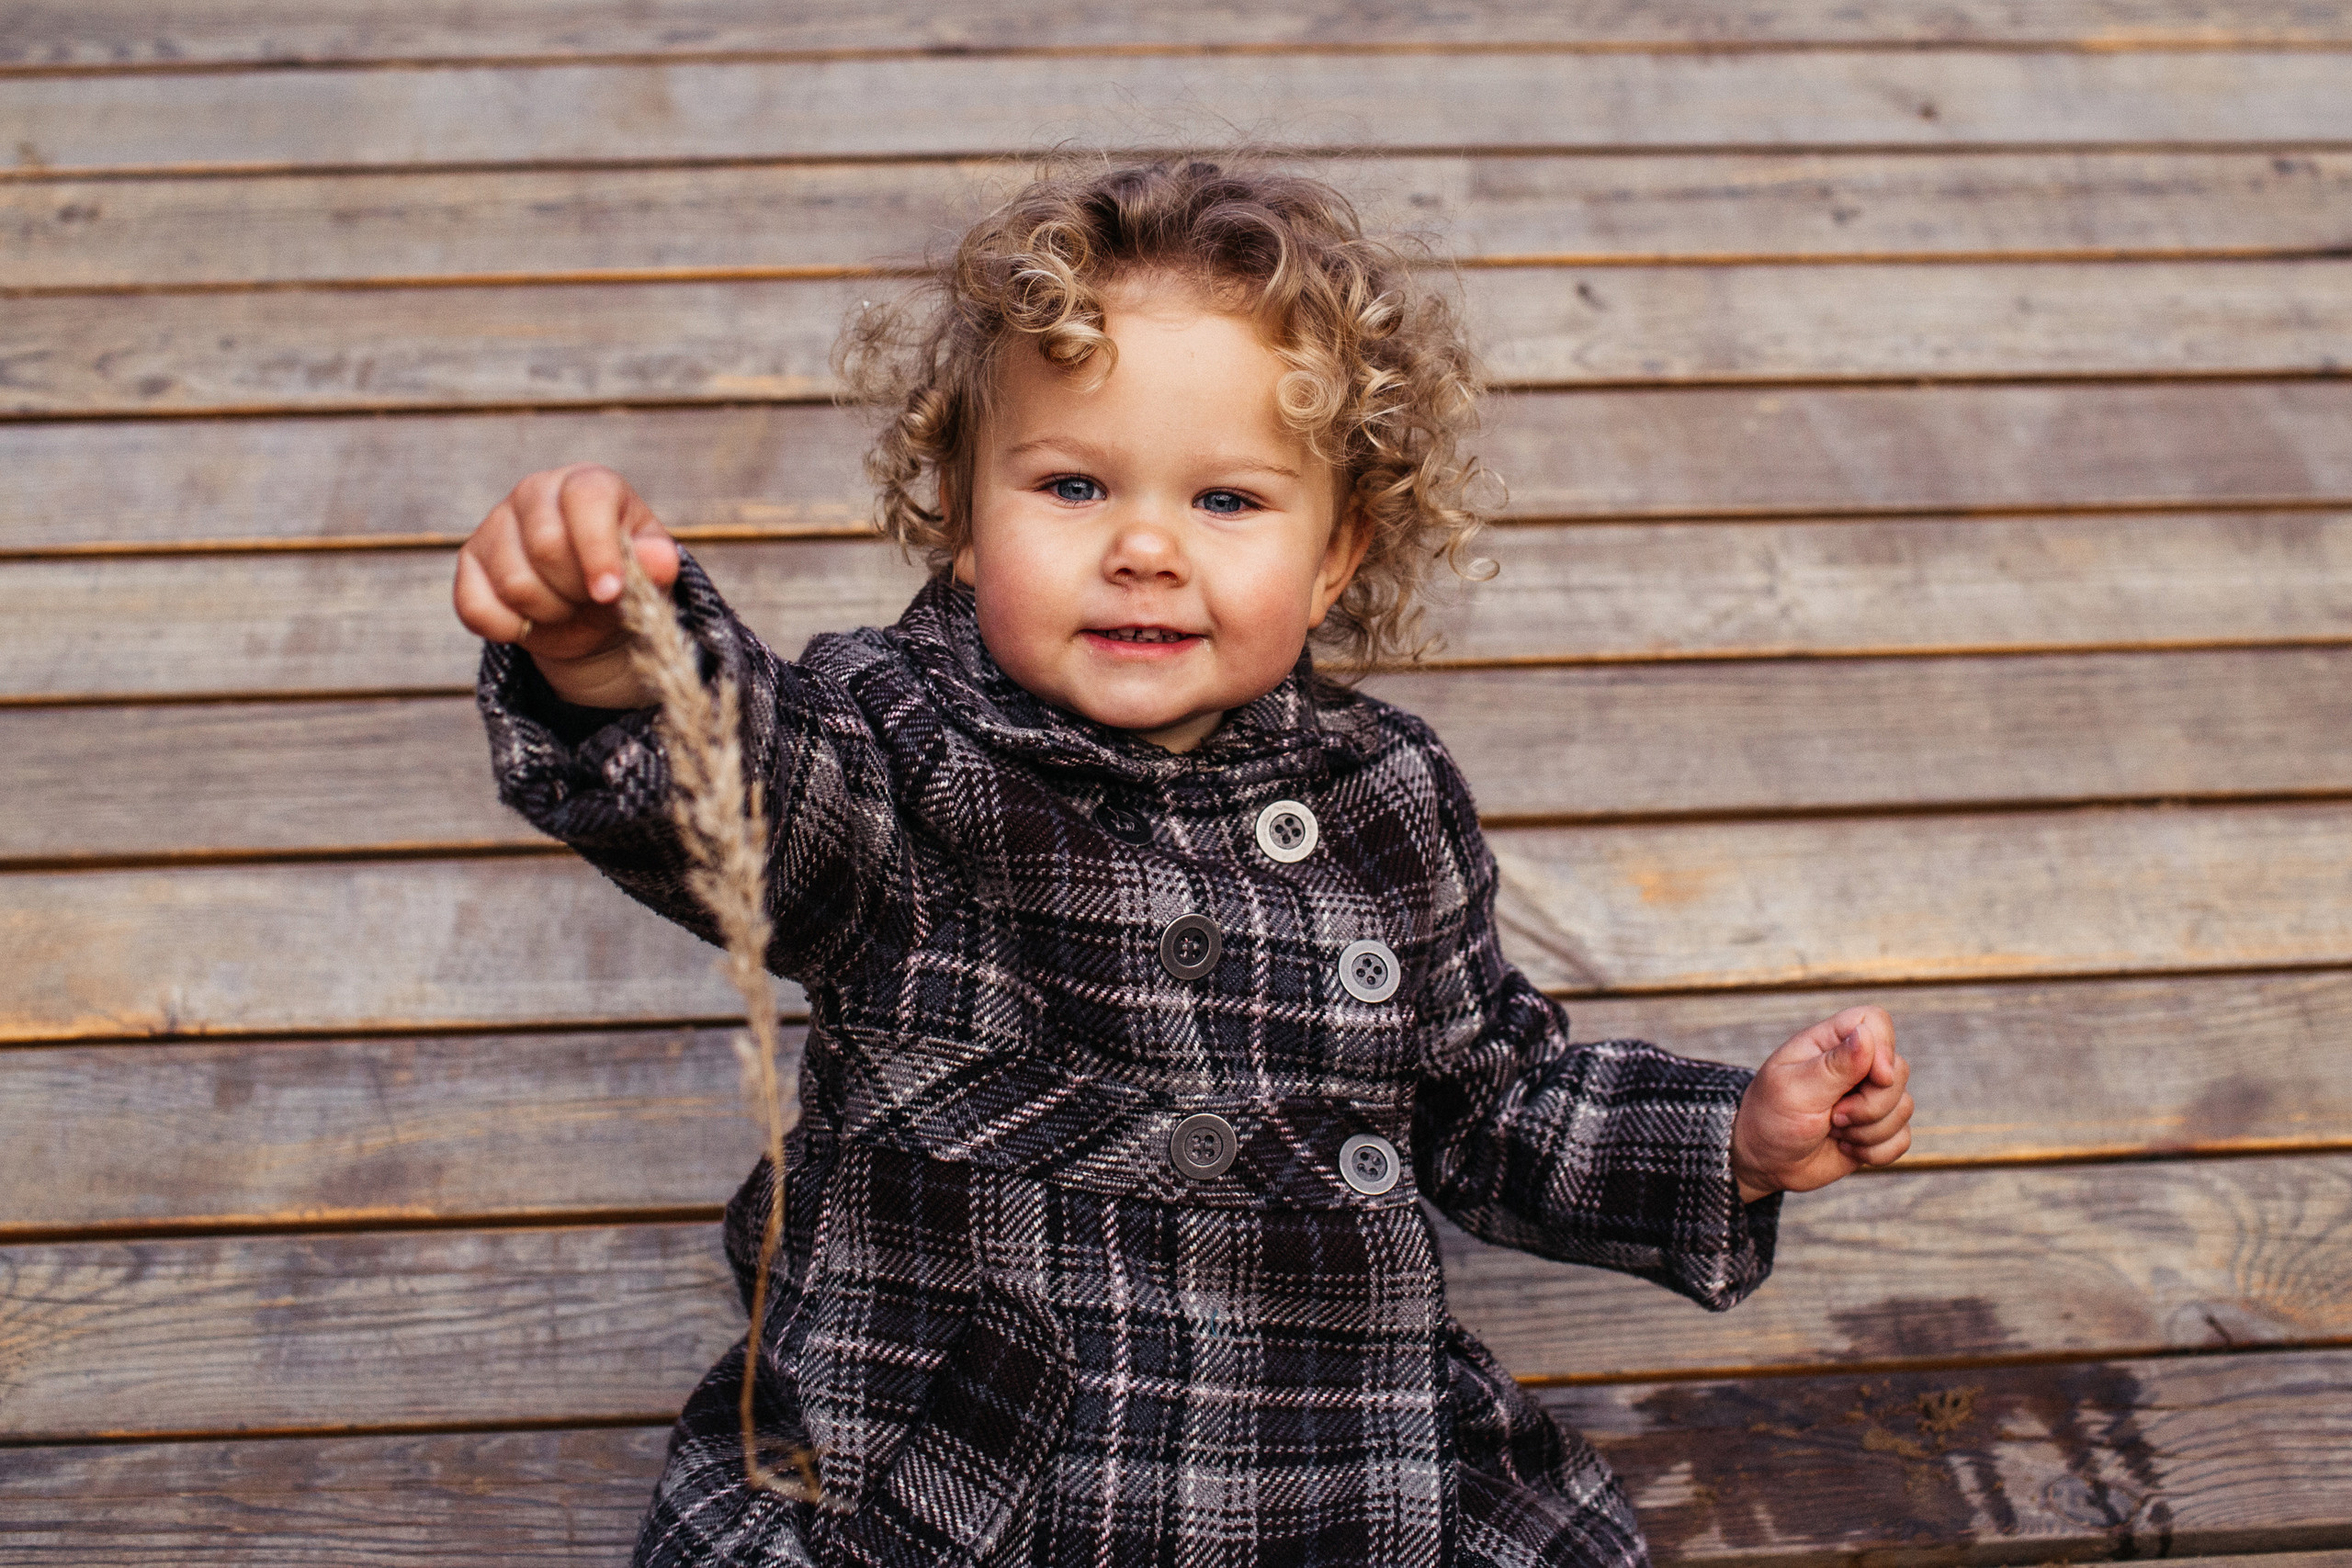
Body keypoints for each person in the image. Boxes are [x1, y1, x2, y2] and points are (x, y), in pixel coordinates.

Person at [455, 160, 1914, 1567]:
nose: (1147, 547)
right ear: (963, 518)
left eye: (1227, 501)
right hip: (977, 1468)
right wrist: (615, 662)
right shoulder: (904, 753)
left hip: (1335, 1443)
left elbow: (1483, 1105)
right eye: (1075, 486)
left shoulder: (1386, 797)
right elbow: (763, 800)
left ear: (1338, 554)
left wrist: (1730, 1142)